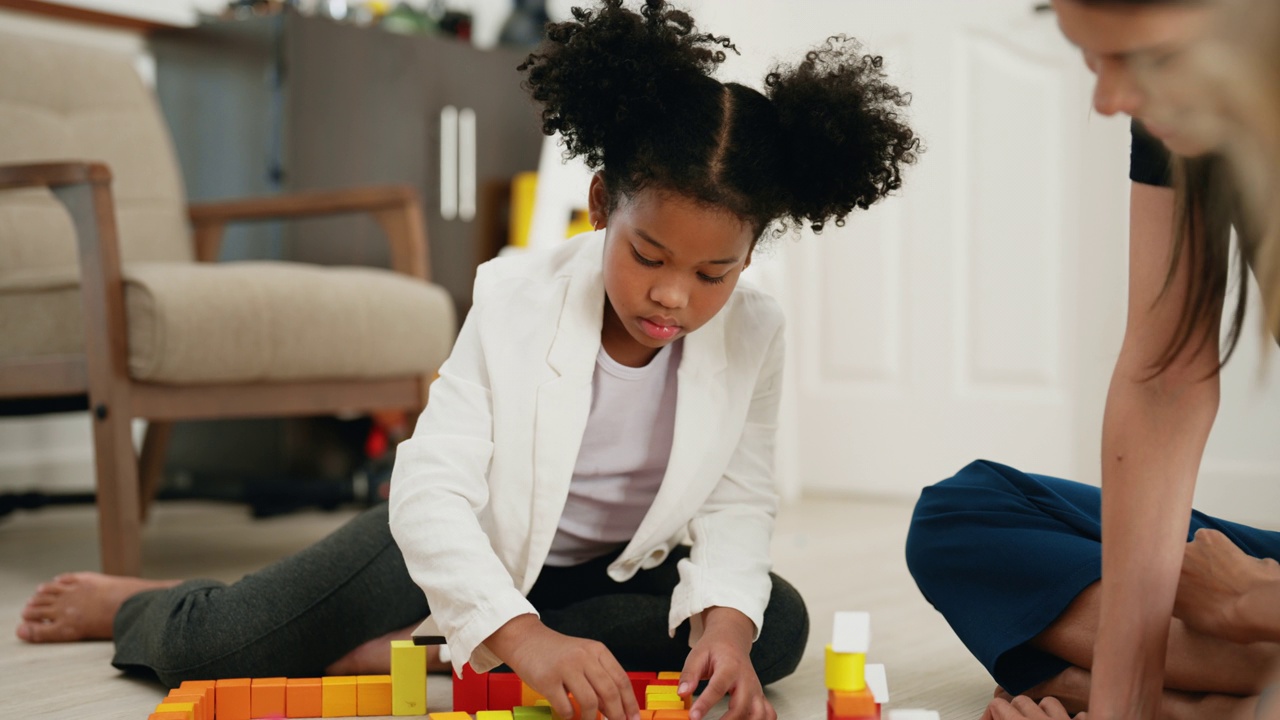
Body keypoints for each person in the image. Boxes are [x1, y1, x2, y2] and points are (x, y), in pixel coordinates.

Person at [16, 3, 920, 720]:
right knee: (218, 648)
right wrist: (525, 643)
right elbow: (430, 493)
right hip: (452, 544)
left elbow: (736, 497)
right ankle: (145, 601)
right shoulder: (516, 296)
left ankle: (432, 646)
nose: (673, 297)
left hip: (601, 572)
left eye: (711, 272)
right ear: (602, 204)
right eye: (648, 256)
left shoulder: (755, 330)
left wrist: (723, 626)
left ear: (750, 256)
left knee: (775, 625)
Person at [905, 1, 1280, 719]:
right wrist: (1121, 702)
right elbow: (1164, 376)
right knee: (963, 513)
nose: (1110, 101)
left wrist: (1251, 601)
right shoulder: (1187, 113)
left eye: (1150, 60)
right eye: (1091, 54)